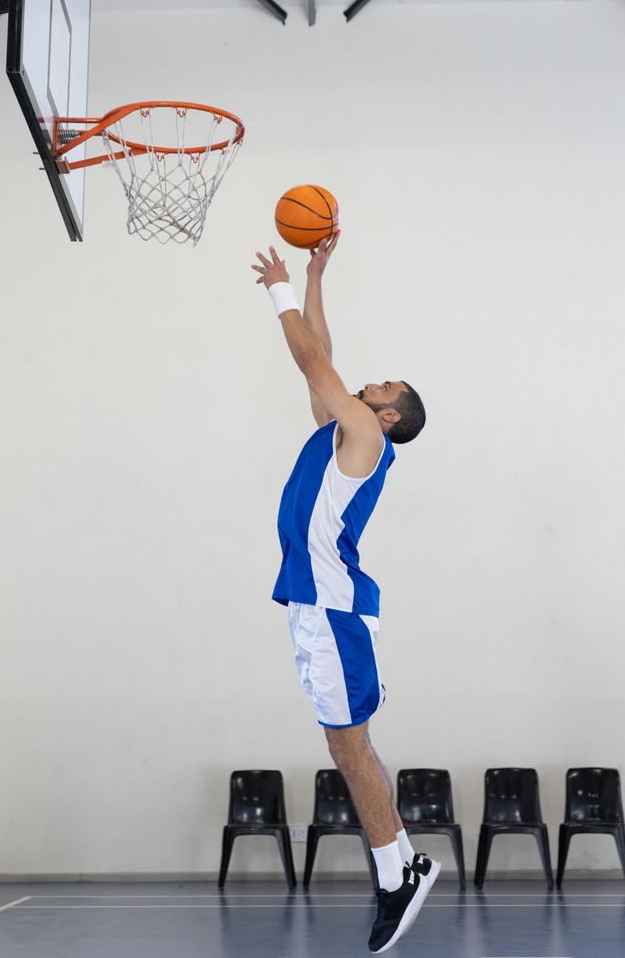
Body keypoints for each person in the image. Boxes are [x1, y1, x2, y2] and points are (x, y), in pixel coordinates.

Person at [251, 235, 436, 954]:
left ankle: (399, 874)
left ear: (389, 416)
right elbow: (321, 358)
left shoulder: (364, 434)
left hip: (331, 609)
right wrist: (317, 274)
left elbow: (309, 358)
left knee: (348, 747)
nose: (370, 384)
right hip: (321, 606)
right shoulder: (344, 428)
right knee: (350, 743)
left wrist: (279, 289)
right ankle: (401, 864)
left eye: (383, 386)